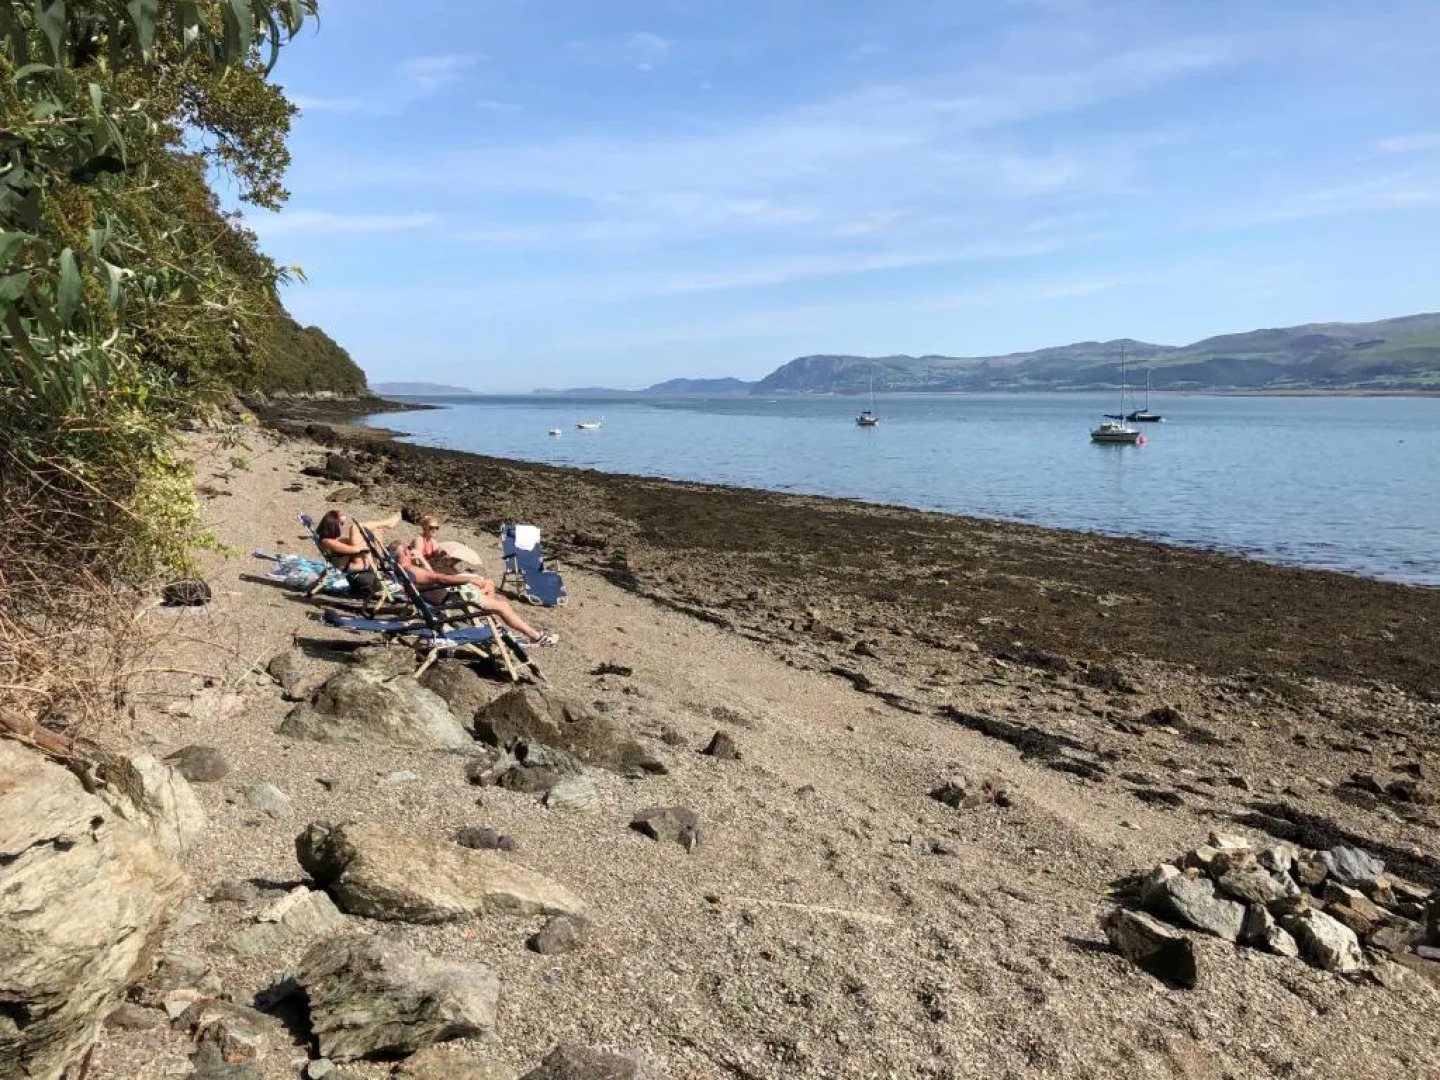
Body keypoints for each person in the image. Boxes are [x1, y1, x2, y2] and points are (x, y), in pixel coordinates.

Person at [391, 544, 558, 646]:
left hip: (442, 595)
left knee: (491, 590)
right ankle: (535, 636)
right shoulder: (410, 570)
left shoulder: (404, 571)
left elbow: (432, 577)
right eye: (406, 549)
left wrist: (422, 561)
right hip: (450, 596)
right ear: (404, 553)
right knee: (503, 605)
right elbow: (439, 578)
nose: (409, 550)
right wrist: (467, 580)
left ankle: (493, 622)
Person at [315, 508, 401, 597]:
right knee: (354, 528)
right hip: (360, 565)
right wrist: (368, 540)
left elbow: (352, 546)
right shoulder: (328, 542)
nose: (341, 526)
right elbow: (355, 549)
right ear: (333, 525)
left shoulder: (329, 539)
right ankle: (387, 523)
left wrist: (370, 536)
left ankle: (387, 524)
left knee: (373, 531)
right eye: (340, 523)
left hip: (359, 561)